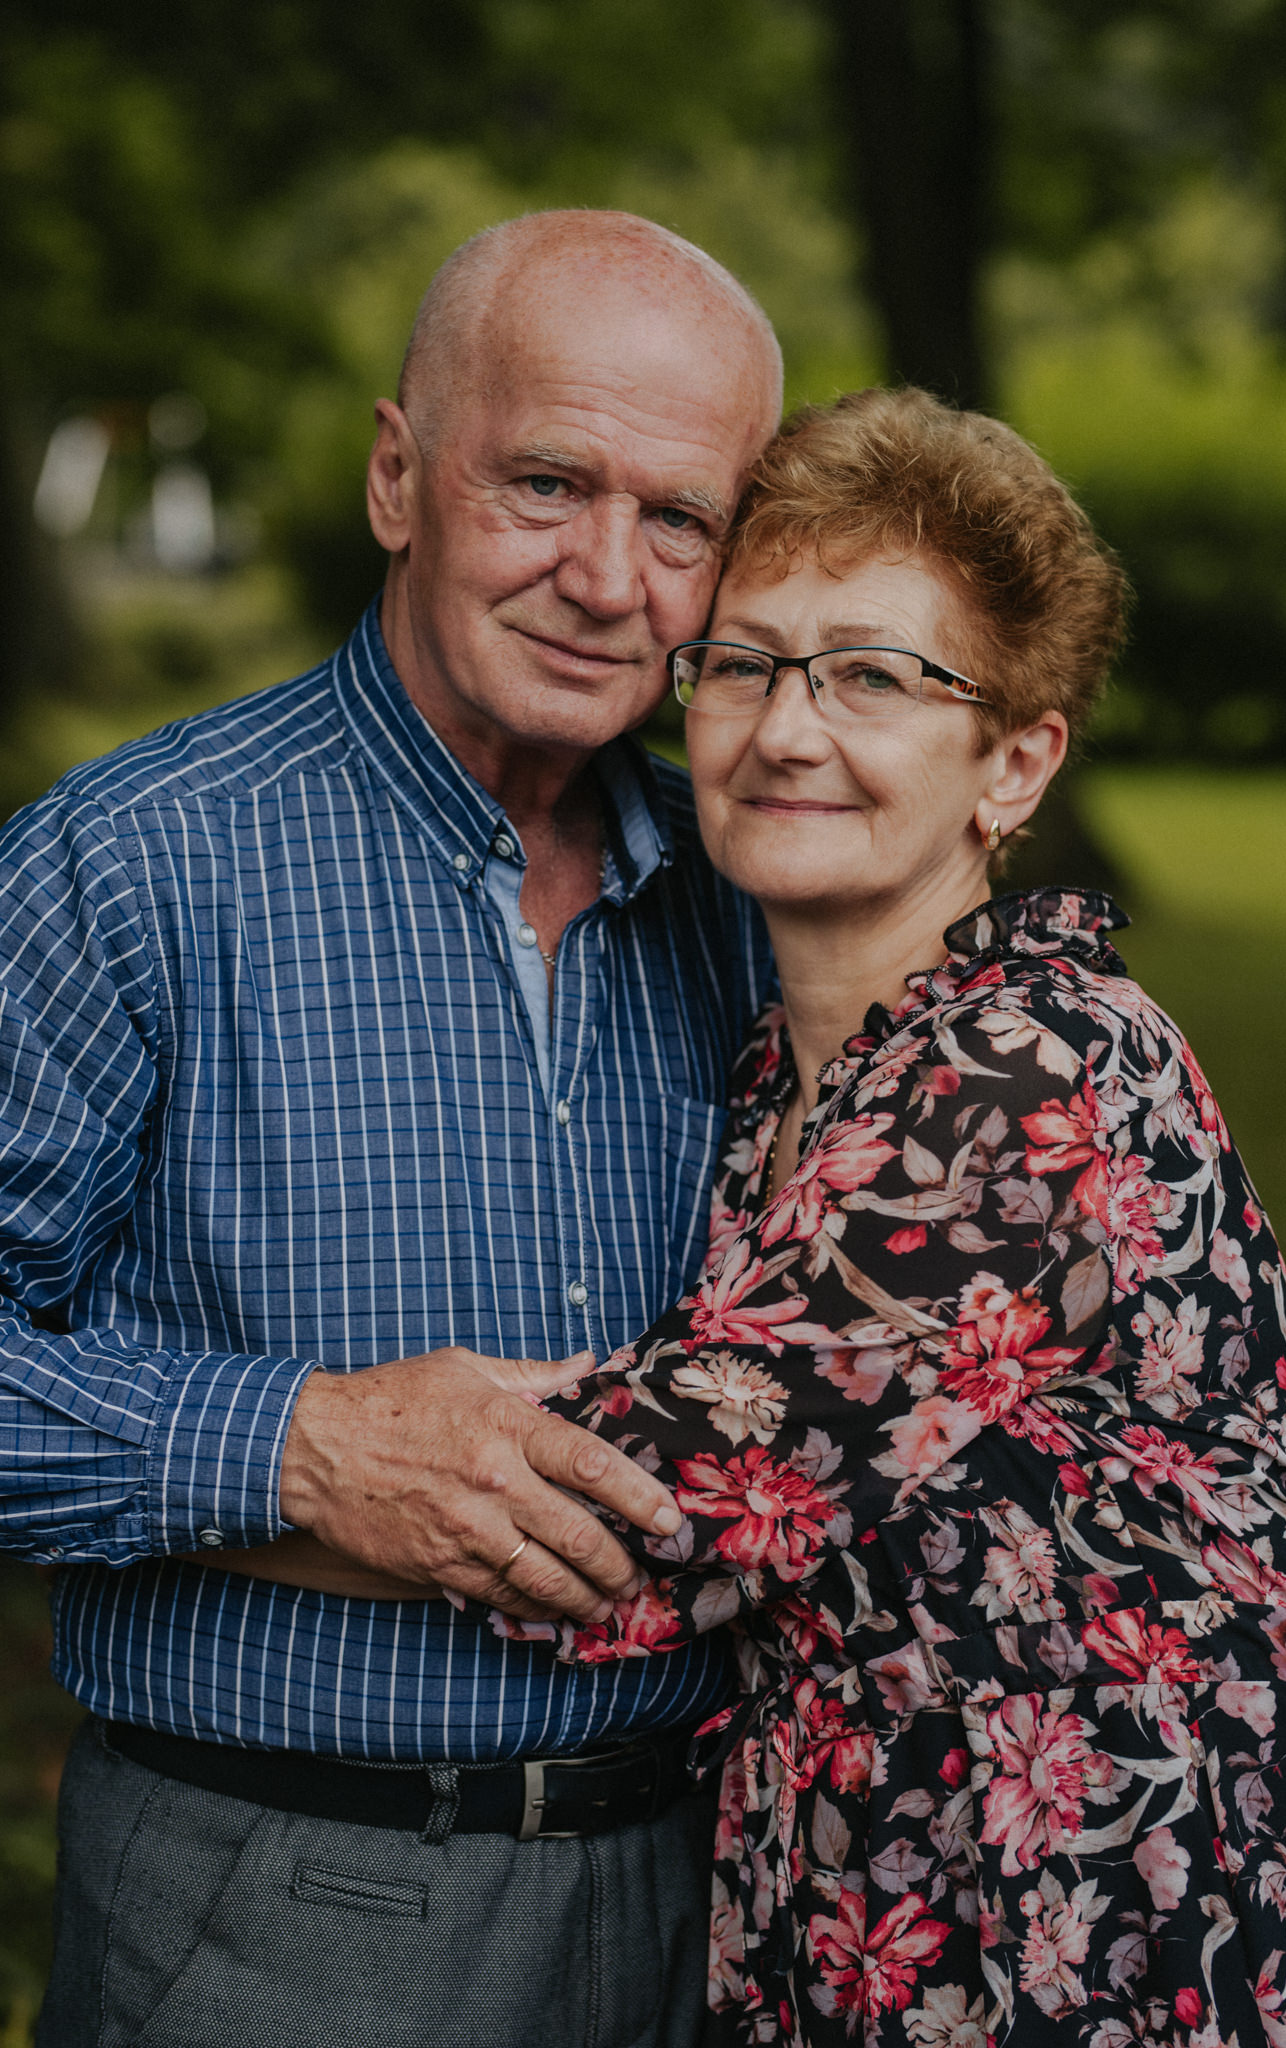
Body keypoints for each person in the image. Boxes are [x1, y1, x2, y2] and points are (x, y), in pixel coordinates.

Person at [0, 209, 785, 2048]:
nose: (611, 577)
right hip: (280, 1907)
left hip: (712, 1904)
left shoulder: (763, 906)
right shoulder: (130, 865)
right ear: (396, 478)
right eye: (546, 484)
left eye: (681, 518)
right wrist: (303, 1447)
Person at [493, 387, 1286, 2042]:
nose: (787, 729)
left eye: (876, 677)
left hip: (1115, 1944)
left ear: (1015, 762)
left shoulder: (1032, 1075)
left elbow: (635, 1514)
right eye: (744, 663)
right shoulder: (784, 1074)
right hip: (877, 1909)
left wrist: (278, 1446)